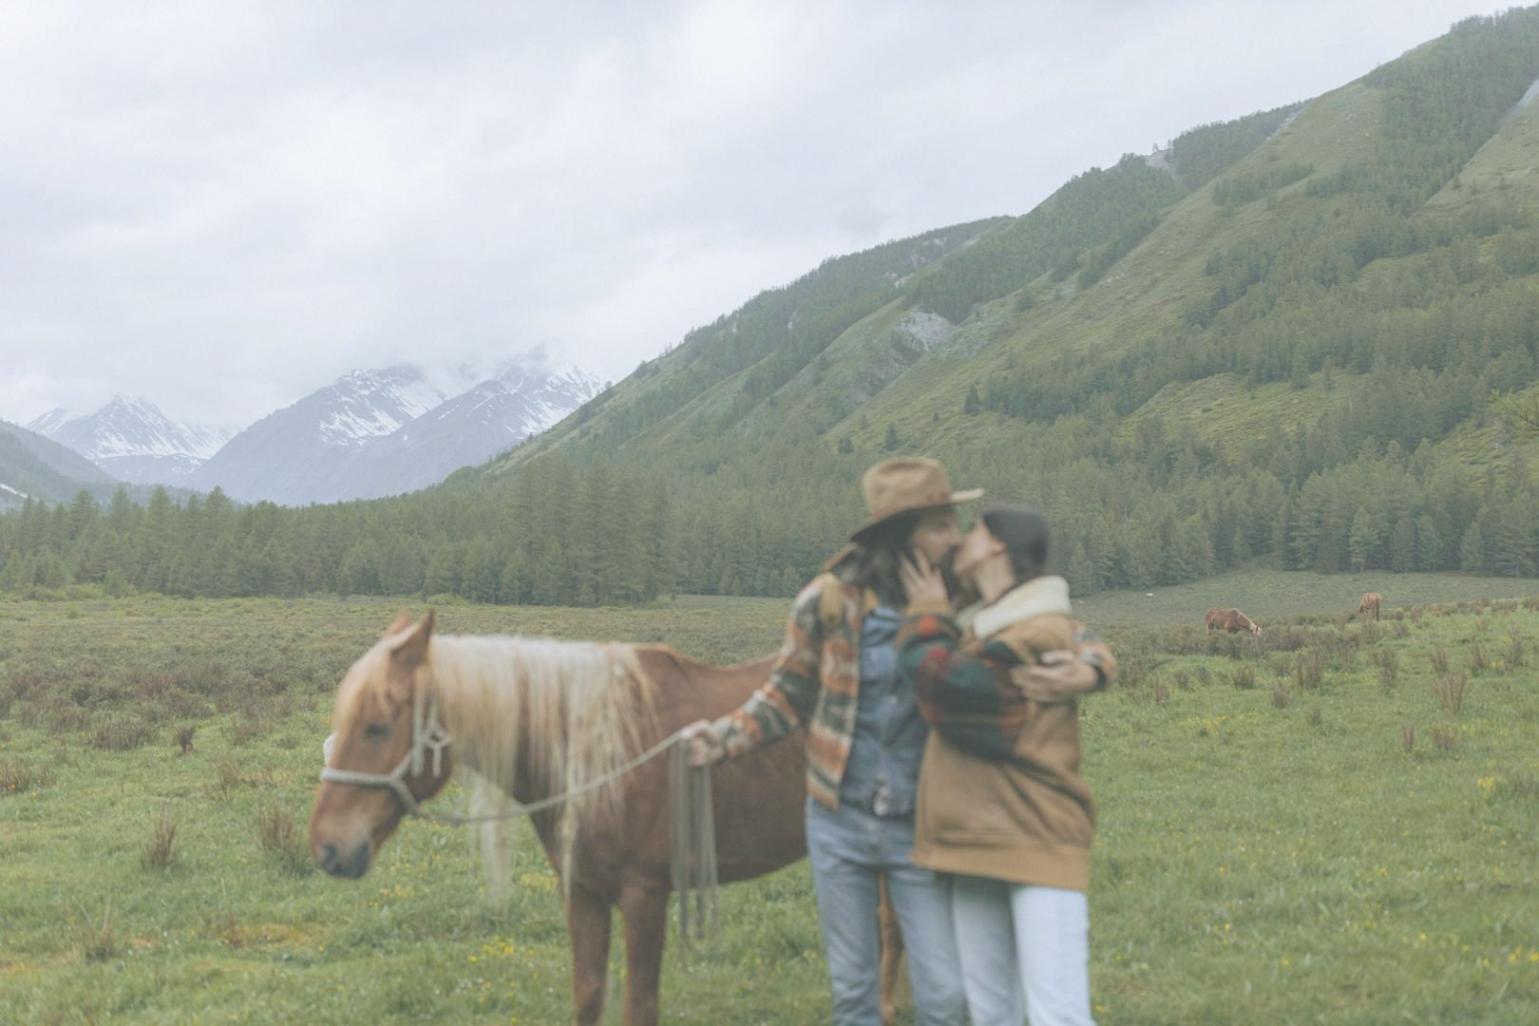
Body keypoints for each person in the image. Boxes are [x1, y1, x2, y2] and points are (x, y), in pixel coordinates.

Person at [684, 458, 1104, 1026]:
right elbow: (786, 695)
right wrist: (724, 739)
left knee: (946, 997)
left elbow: (1053, 623)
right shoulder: (827, 601)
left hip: (920, 826)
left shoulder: (958, 596)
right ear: (903, 536)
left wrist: (1092, 665)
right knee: (855, 995)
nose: (955, 536)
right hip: (837, 823)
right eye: (940, 525)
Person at [896, 503, 1114, 1026]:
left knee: (1055, 1013)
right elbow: (1075, 633)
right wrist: (1098, 665)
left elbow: (947, 686)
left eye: (971, 530)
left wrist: (925, 617)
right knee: (992, 1013)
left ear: (996, 545)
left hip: (1034, 836)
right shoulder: (986, 622)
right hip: (974, 839)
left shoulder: (1033, 631)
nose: (960, 541)